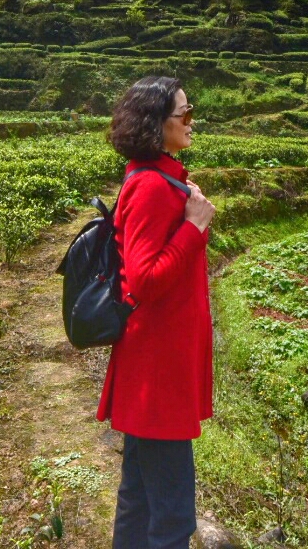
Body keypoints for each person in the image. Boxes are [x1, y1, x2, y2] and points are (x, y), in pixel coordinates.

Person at [98, 75, 216, 549]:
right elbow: (144, 279)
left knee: (141, 494)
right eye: (183, 113)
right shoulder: (148, 186)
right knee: (171, 513)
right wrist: (194, 227)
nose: (191, 121)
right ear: (155, 124)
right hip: (158, 369)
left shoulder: (160, 177)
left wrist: (186, 202)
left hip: (158, 362)